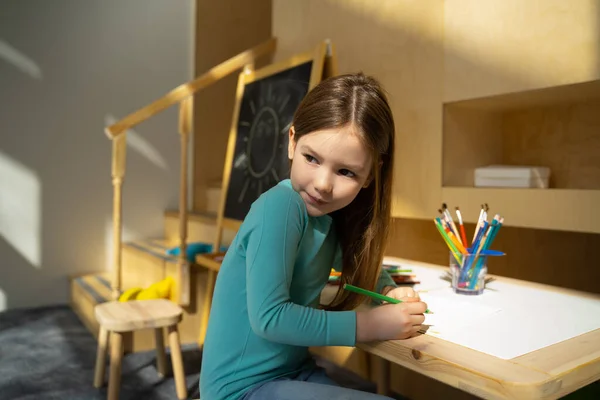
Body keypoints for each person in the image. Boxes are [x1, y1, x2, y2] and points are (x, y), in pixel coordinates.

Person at [200, 73, 428, 400]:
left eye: (346, 171)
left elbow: (357, 263)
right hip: (240, 390)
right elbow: (270, 318)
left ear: (370, 175)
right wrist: (372, 325)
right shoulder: (281, 206)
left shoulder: (327, 221)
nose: (323, 183)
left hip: (292, 371)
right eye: (312, 158)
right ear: (292, 141)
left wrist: (389, 288)